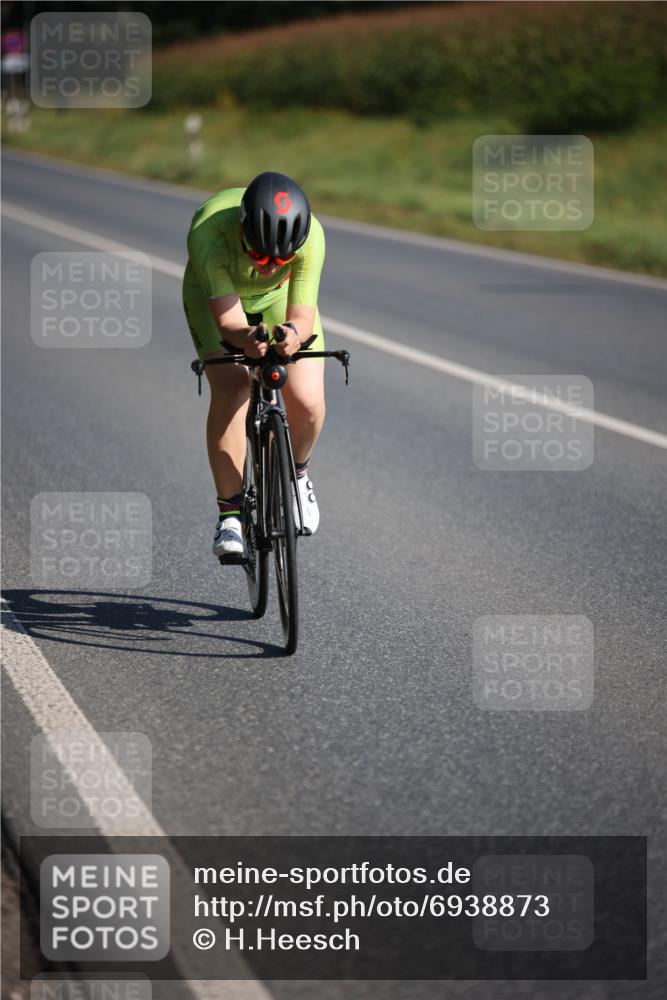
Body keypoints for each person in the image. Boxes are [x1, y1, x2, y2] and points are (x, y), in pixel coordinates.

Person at [183, 171, 326, 557]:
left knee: (308, 401)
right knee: (233, 387)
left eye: (282, 258)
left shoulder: (312, 235)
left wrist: (292, 336)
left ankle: (297, 475)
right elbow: (230, 326)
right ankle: (230, 515)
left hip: (277, 301)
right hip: (215, 298)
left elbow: (302, 317)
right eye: (259, 253)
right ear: (242, 231)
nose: (269, 264)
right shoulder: (208, 233)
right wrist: (247, 339)